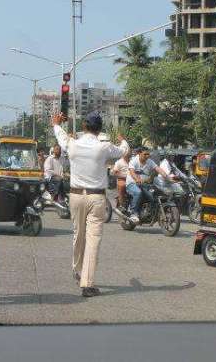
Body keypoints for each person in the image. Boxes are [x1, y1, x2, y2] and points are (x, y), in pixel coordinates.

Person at [52, 111, 129, 297]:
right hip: (97, 198)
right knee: (93, 239)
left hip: (76, 196)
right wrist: (123, 139)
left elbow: (61, 137)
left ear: (84, 127)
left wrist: (56, 124)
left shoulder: (73, 144)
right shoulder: (104, 147)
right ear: (100, 129)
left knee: (78, 235)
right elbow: (124, 150)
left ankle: (77, 270)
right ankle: (88, 283)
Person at [126, 148, 170, 224]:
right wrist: (137, 179)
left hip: (144, 185)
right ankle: (133, 213)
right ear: (139, 153)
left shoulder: (150, 161)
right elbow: (132, 172)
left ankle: (149, 213)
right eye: (145, 154)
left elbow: (158, 169)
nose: (147, 156)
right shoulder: (134, 161)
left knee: (153, 196)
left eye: (148, 154)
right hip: (132, 184)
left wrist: (167, 177)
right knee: (138, 192)